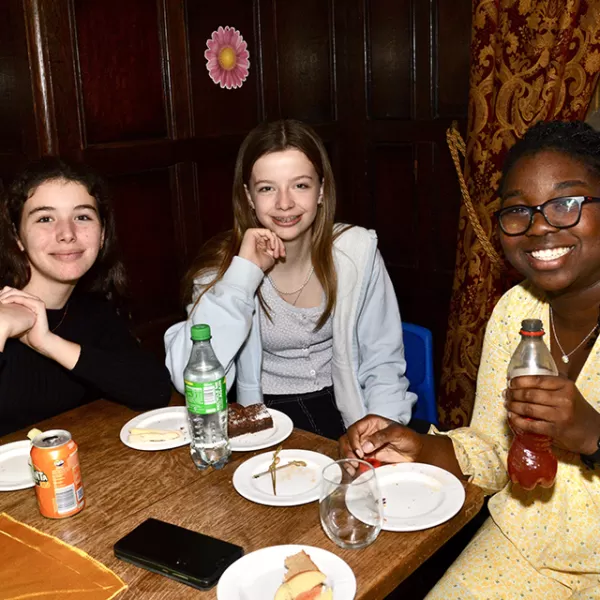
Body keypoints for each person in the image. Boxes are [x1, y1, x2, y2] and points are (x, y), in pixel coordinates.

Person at [341, 120, 600, 599]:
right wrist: (422, 450)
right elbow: (492, 448)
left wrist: (592, 435)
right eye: (518, 211)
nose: (539, 226)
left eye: (566, 203)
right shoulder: (514, 312)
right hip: (520, 542)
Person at [165, 119, 416, 439]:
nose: (284, 203)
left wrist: (382, 428)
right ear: (249, 197)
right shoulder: (223, 269)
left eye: (300, 185)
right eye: (267, 188)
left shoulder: (356, 252)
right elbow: (188, 376)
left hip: (349, 408)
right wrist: (242, 276)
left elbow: (382, 363)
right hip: (266, 417)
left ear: (321, 190)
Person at [0, 158, 172, 436]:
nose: (67, 234)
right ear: (17, 236)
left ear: (102, 234)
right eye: (45, 218)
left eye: (82, 217)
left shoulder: (92, 311)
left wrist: (47, 342)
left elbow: (155, 389)